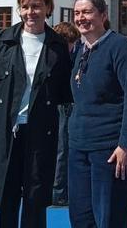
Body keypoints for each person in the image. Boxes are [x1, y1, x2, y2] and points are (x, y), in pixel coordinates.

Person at [0, 0, 73, 228]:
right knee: (6, 199)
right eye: (25, 7)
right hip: (6, 131)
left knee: (35, 199)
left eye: (37, 6)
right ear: (19, 9)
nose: (31, 12)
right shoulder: (4, 40)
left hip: (40, 133)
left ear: (48, 8)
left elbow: (66, 94)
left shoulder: (57, 45)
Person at [67, 0, 127, 228]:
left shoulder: (120, 47)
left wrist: (126, 144)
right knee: (81, 217)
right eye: (77, 13)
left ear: (103, 15)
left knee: (110, 217)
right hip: (79, 146)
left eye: (87, 12)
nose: (81, 18)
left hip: (110, 149)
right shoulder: (80, 50)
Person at [51, 21, 80, 206]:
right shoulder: (61, 59)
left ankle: (59, 189)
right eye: (71, 42)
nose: (73, 46)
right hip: (63, 107)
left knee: (60, 149)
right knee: (62, 149)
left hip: (59, 107)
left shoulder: (56, 57)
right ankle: (59, 192)